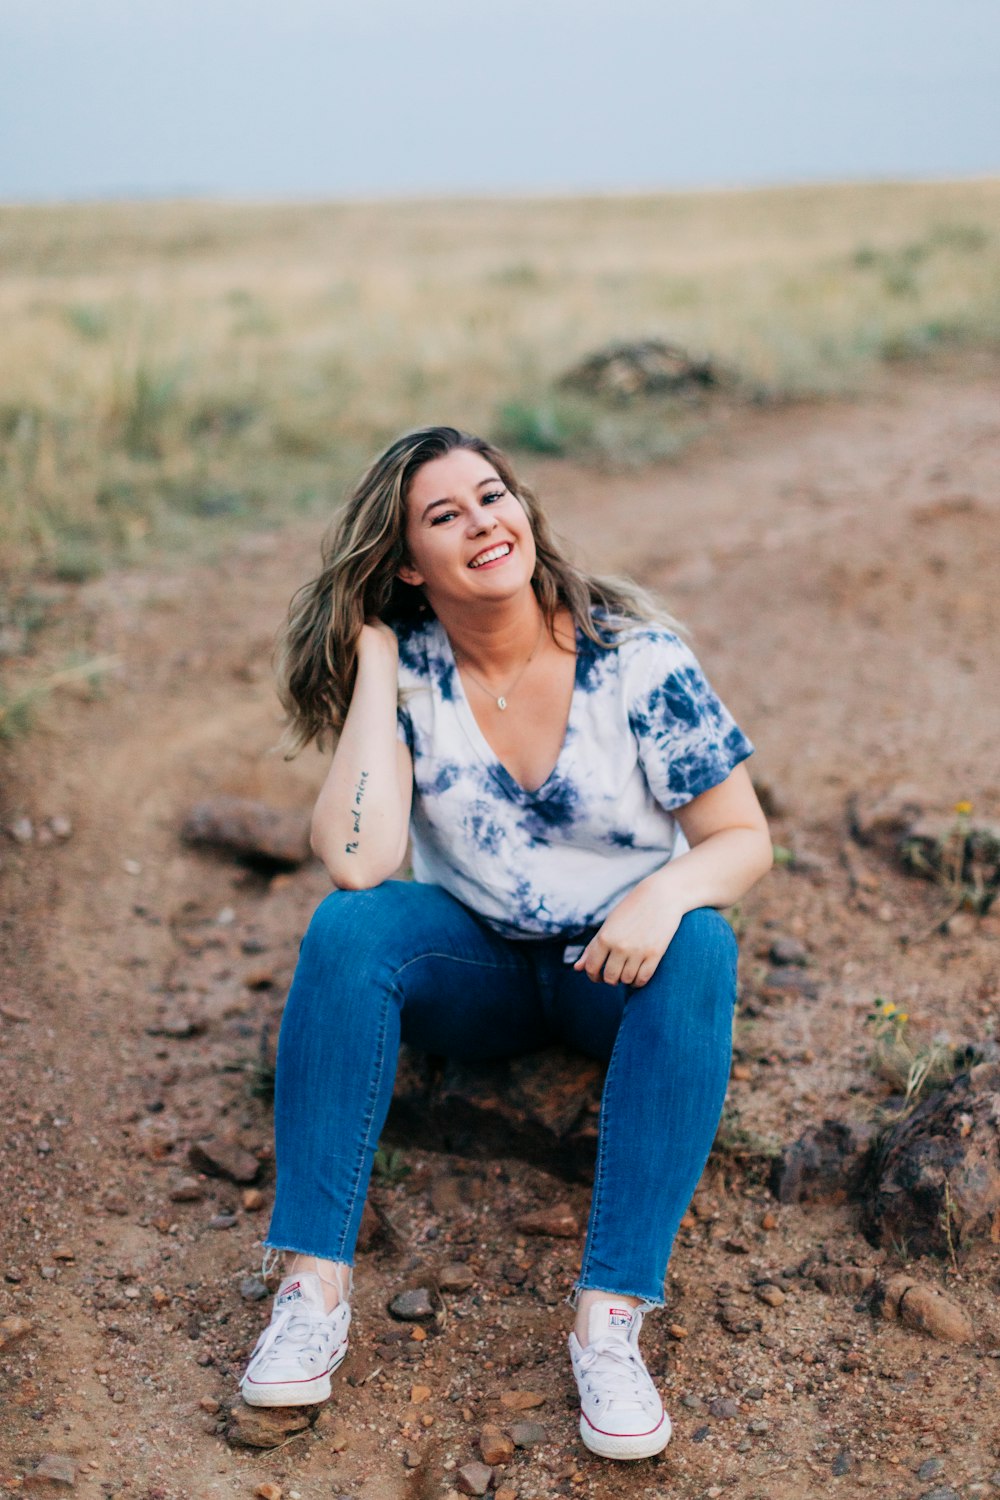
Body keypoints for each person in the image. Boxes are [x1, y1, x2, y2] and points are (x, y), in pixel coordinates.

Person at [239, 426, 772, 1462]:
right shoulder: (412, 675)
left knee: (702, 945)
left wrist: (663, 896)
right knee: (349, 926)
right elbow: (357, 858)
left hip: (612, 973)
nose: (483, 522)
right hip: (476, 969)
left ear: (521, 509)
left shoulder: (635, 660)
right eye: (445, 516)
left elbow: (741, 838)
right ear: (406, 563)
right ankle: (311, 1291)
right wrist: (378, 665)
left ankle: (608, 1322)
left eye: (492, 497)